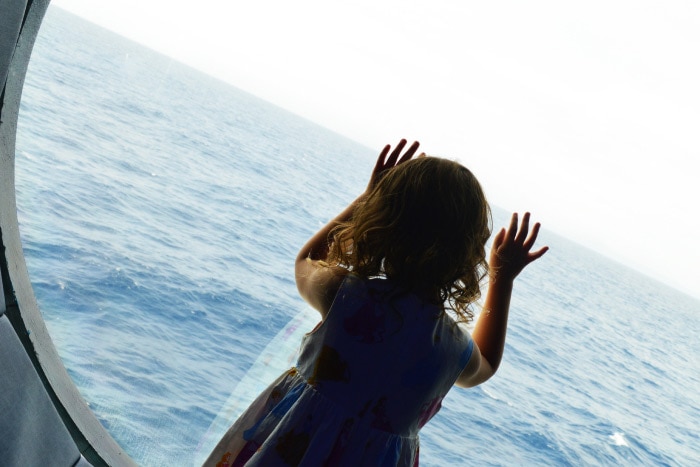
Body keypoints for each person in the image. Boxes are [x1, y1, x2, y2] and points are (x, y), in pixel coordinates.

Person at [204, 139, 548, 466]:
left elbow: (305, 263)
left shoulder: (348, 297)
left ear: (383, 221)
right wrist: (501, 279)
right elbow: (484, 365)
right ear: (467, 252)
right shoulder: (450, 347)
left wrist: (364, 197)